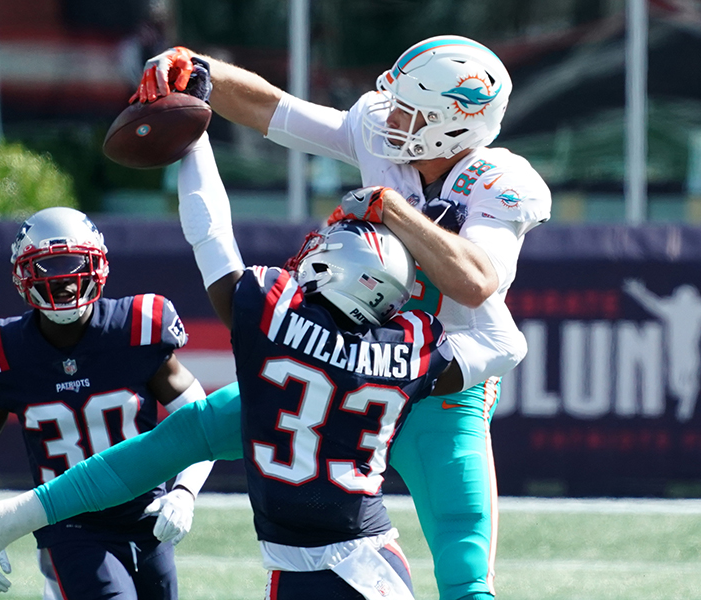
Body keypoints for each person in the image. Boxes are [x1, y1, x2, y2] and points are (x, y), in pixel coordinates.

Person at [0, 134, 456, 600]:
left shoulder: (272, 318)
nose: (311, 251)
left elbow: (212, 239)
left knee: (180, 436)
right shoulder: (411, 348)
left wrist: (195, 138)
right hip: (356, 547)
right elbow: (501, 345)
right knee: (465, 546)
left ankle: (1, 523)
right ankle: (0, 522)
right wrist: (436, 244)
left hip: (307, 548)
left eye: (327, 249)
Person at [131, 35, 552, 599]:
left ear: (455, 125)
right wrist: (198, 73)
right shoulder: (384, 130)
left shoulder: (499, 182)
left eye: (411, 109)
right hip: (346, 363)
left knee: (465, 572)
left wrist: (394, 210)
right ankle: (17, 516)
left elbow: (475, 282)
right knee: (179, 437)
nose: (391, 115)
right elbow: (273, 111)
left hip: (441, 386)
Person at [0, 206, 214, 599]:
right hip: (67, 517)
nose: (63, 280)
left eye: (74, 264)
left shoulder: (138, 328)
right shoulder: (5, 351)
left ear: (98, 265)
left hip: (145, 512)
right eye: (47, 268)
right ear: (24, 276)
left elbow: (201, 421)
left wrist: (184, 491)